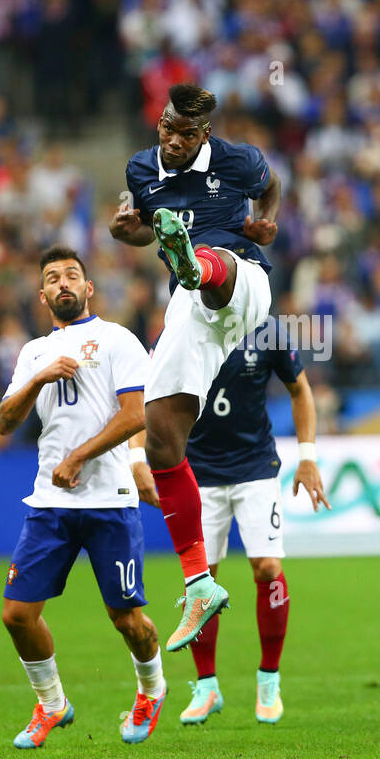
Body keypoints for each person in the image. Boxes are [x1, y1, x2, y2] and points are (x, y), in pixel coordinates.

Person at [110, 83, 281, 652]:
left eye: (187, 133)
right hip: (187, 309)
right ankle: (199, 581)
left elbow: (271, 187)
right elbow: (142, 225)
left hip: (243, 279)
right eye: (167, 128)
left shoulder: (238, 160)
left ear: (204, 134)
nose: (174, 140)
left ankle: (195, 259)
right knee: (161, 441)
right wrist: (126, 231)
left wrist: (267, 220)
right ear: (158, 124)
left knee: (214, 267)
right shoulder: (141, 169)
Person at [0, 247, 165, 747]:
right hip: (50, 504)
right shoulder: (32, 353)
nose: (63, 283)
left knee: (127, 620)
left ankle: (151, 690)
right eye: (52, 278)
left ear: (89, 289)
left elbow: (137, 415)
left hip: (109, 499)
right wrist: (38, 378)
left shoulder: (117, 340)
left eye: (72, 275)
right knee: (16, 615)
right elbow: (4, 423)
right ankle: (52, 704)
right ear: (42, 295)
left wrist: (79, 458)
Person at [131, 317, 329, 725]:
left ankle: (269, 680)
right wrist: (138, 459)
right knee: (202, 580)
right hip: (196, 474)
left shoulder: (268, 329)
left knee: (269, 567)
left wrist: (307, 456)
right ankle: (207, 687)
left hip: (255, 468)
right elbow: (143, 396)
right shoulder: (181, 328)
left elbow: (300, 389)